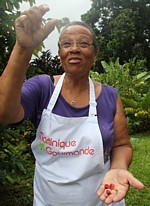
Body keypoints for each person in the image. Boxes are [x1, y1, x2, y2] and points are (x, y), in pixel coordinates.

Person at [0, 4, 144, 206]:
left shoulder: (110, 96)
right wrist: (23, 49)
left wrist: (118, 167)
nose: (74, 48)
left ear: (95, 55)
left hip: (103, 200)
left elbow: (121, 144)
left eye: (83, 43)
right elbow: (4, 113)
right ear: (59, 53)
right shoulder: (43, 88)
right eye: (67, 43)